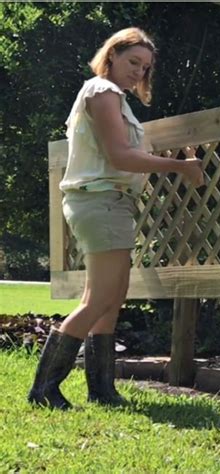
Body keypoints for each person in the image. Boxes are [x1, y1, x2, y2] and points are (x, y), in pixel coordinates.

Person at [28, 27, 204, 409]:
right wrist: (180, 167)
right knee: (101, 297)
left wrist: (174, 157)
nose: (139, 71)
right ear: (111, 58)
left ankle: (102, 389)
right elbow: (119, 157)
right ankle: (44, 388)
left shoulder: (116, 99)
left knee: (111, 298)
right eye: (132, 62)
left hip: (111, 202)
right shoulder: (102, 92)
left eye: (145, 67)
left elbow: (127, 152)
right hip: (99, 200)